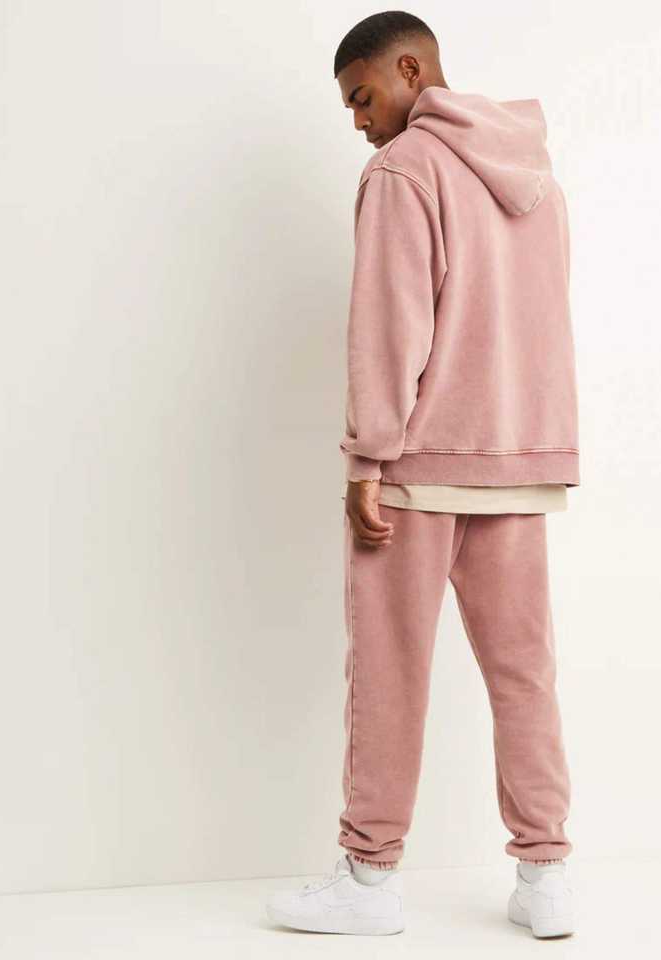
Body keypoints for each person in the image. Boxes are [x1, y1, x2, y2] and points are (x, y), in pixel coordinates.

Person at [266, 10, 579, 938]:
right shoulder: (537, 176)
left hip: (417, 466)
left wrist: (367, 455)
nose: (359, 122)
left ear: (410, 70)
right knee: (525, 674)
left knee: (389, 672)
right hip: (518, 458)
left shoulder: (403, 171)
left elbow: (389, 324)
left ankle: (369, 879)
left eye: (363, 97)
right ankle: (546, 876)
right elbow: (542, 320)